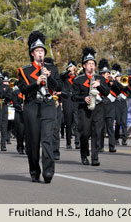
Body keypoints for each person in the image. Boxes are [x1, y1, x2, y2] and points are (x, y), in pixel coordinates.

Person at [17, 31, 62, 183]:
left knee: (47, 138)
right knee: (33, 141)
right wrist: (36, 82)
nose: (40, 54)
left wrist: (49, 77)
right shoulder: (24, 70)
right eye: (37, 51)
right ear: (32, 53)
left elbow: (59, 87)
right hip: (32, 106)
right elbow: (23, 90)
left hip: (48, 105)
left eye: (42, 51)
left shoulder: (52, 69)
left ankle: (48, 171)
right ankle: (34, 171)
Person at [72, 48, 109, 166]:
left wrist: (100, 85)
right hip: (84, 109)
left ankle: (95, 157)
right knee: (84, 133)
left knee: (97, 133)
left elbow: (107, 92)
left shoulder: (101, 78)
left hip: (98, 108)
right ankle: (84, 154)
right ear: (84, 65)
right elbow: (73, 96)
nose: (92, 66)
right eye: (89, 64)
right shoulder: (78, 79)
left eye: (93, 64)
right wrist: (84, 99)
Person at [98, 58, 117, 153]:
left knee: (110, 128)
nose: (108, 75)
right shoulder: (99, 82)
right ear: (102, 74)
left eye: (108, 73)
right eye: (106, 73)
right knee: (101, 128)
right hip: (101, 107)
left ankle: (112, 146)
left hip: (110, 107)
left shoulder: (112, 83)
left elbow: (121, 88)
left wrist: (114, 82)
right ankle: (100, 146)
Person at [60, 60, 78, 149]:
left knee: (77, 121)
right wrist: (68, 71)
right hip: (67, 100)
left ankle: (77, 141)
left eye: (72, 69)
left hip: (75, 100)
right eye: (69, 69)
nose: (71, 71)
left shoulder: (77, 78)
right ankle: (68, 142)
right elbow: (61, 76)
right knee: (68, 122)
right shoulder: (64, 77)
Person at [112, 63, 128, 146]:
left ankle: (124, 139)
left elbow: (126, 89)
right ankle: (116, 138)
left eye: (119, 76)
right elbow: (118, 87)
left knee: (124, 122)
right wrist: (114, 80)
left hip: (123, 103)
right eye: (117, 76)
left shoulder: (124, 82)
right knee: (118, 122)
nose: (118, 78)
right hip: (116, 103)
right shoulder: (114, 83)